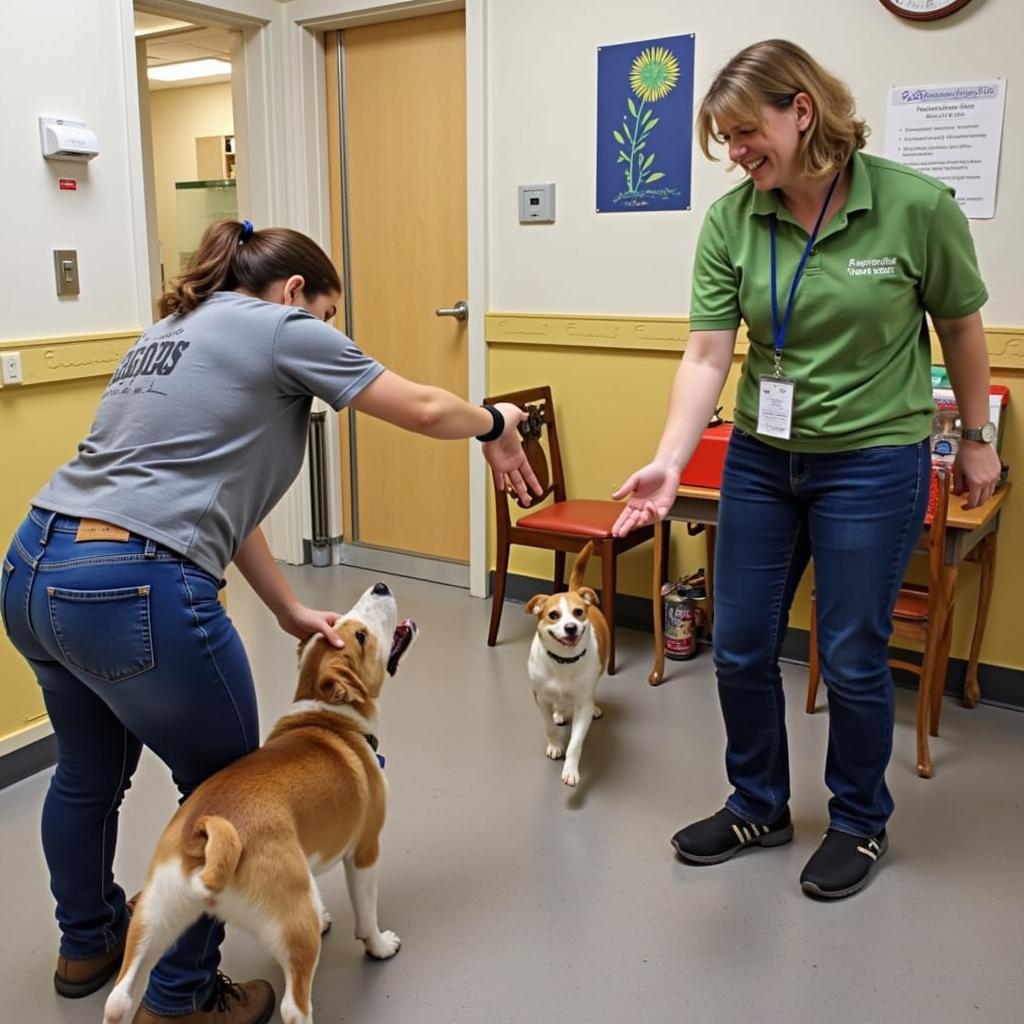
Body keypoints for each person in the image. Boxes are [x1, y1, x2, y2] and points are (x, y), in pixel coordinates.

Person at [1, 219, 541, 1023]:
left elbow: (217, 493)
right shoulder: (281, 327)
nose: (327, 334)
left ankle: (88, 944)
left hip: (35, 566)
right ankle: (182, 1001)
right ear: (296, 294)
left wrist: (287, 607)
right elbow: (426, 409)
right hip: (134, 583)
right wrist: (496, 425)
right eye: (328, 314)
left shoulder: (171, 330)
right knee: (229, 799)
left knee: (84, 773)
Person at [612, 40, 1000, 900]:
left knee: (853, 653)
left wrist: (976, 435)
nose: (736, 153)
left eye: (747, 132)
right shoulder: (733, 218)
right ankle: (759, 805)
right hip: (761, 456)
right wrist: (670, 462)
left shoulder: (915, 205)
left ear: (803, 111)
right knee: (741, 646)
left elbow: (963, 328)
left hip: (873, 459)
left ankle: (859, 822)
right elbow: (709, 353)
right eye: (724, 139)